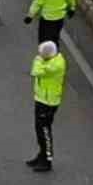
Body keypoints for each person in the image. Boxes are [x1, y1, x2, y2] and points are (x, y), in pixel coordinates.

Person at [28, 40, 67, 172]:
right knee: (39, 129)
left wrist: (38, 60)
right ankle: (41, 155)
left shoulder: (55, 65)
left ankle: (47, 160)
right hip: (41, 99)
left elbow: (35, 71)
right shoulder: (49, 60)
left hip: (49, 102)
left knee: (45, 131)